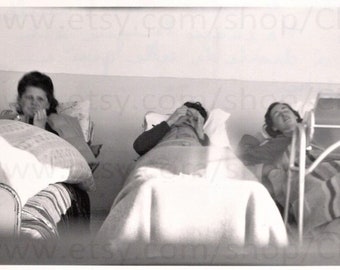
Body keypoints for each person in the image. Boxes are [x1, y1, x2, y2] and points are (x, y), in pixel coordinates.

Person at [237, 102, 302, 166]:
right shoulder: (277, 144)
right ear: (274, 127)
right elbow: (244, 156)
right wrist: (258, 137)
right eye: (277, 115)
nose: (283, 114)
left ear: (295, 115)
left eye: (285, 110)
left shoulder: (311, 123)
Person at [133, 101, 210, 156]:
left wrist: (200, 133)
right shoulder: (162, 130)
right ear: (178, 113)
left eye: (195, 119)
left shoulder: (201, 138)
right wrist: (170, 120)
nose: (189, 119)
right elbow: (139, 147)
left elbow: (210, 159)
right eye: (187, 114)